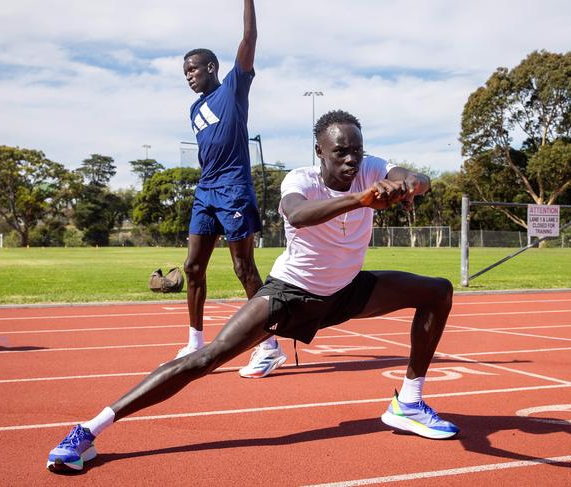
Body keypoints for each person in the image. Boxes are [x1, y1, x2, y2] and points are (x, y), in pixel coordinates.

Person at [47, 110, 459, 473]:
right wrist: (361, 200)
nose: (352, 160)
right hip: (291, 295)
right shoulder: (301, 180)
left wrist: (408, 187)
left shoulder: (371, 167)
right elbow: (299, 214)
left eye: (357, 150)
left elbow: (415, 177)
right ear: (319, 151)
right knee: (204, 359)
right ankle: (89, 429)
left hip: (348, 290)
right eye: (340, 152)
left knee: (438, 292)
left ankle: (408, 402)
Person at [178, 0, 286, 378]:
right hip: (205, 190)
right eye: (184, 72)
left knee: (244, 268)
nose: (188, 76)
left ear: (211, 67)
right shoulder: (195, 110)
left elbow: (249, 36)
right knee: (193, 267)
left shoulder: (234, 87)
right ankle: (194, 342)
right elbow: (207, 150)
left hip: (234, 189)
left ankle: (270, 346)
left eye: (193, 69)